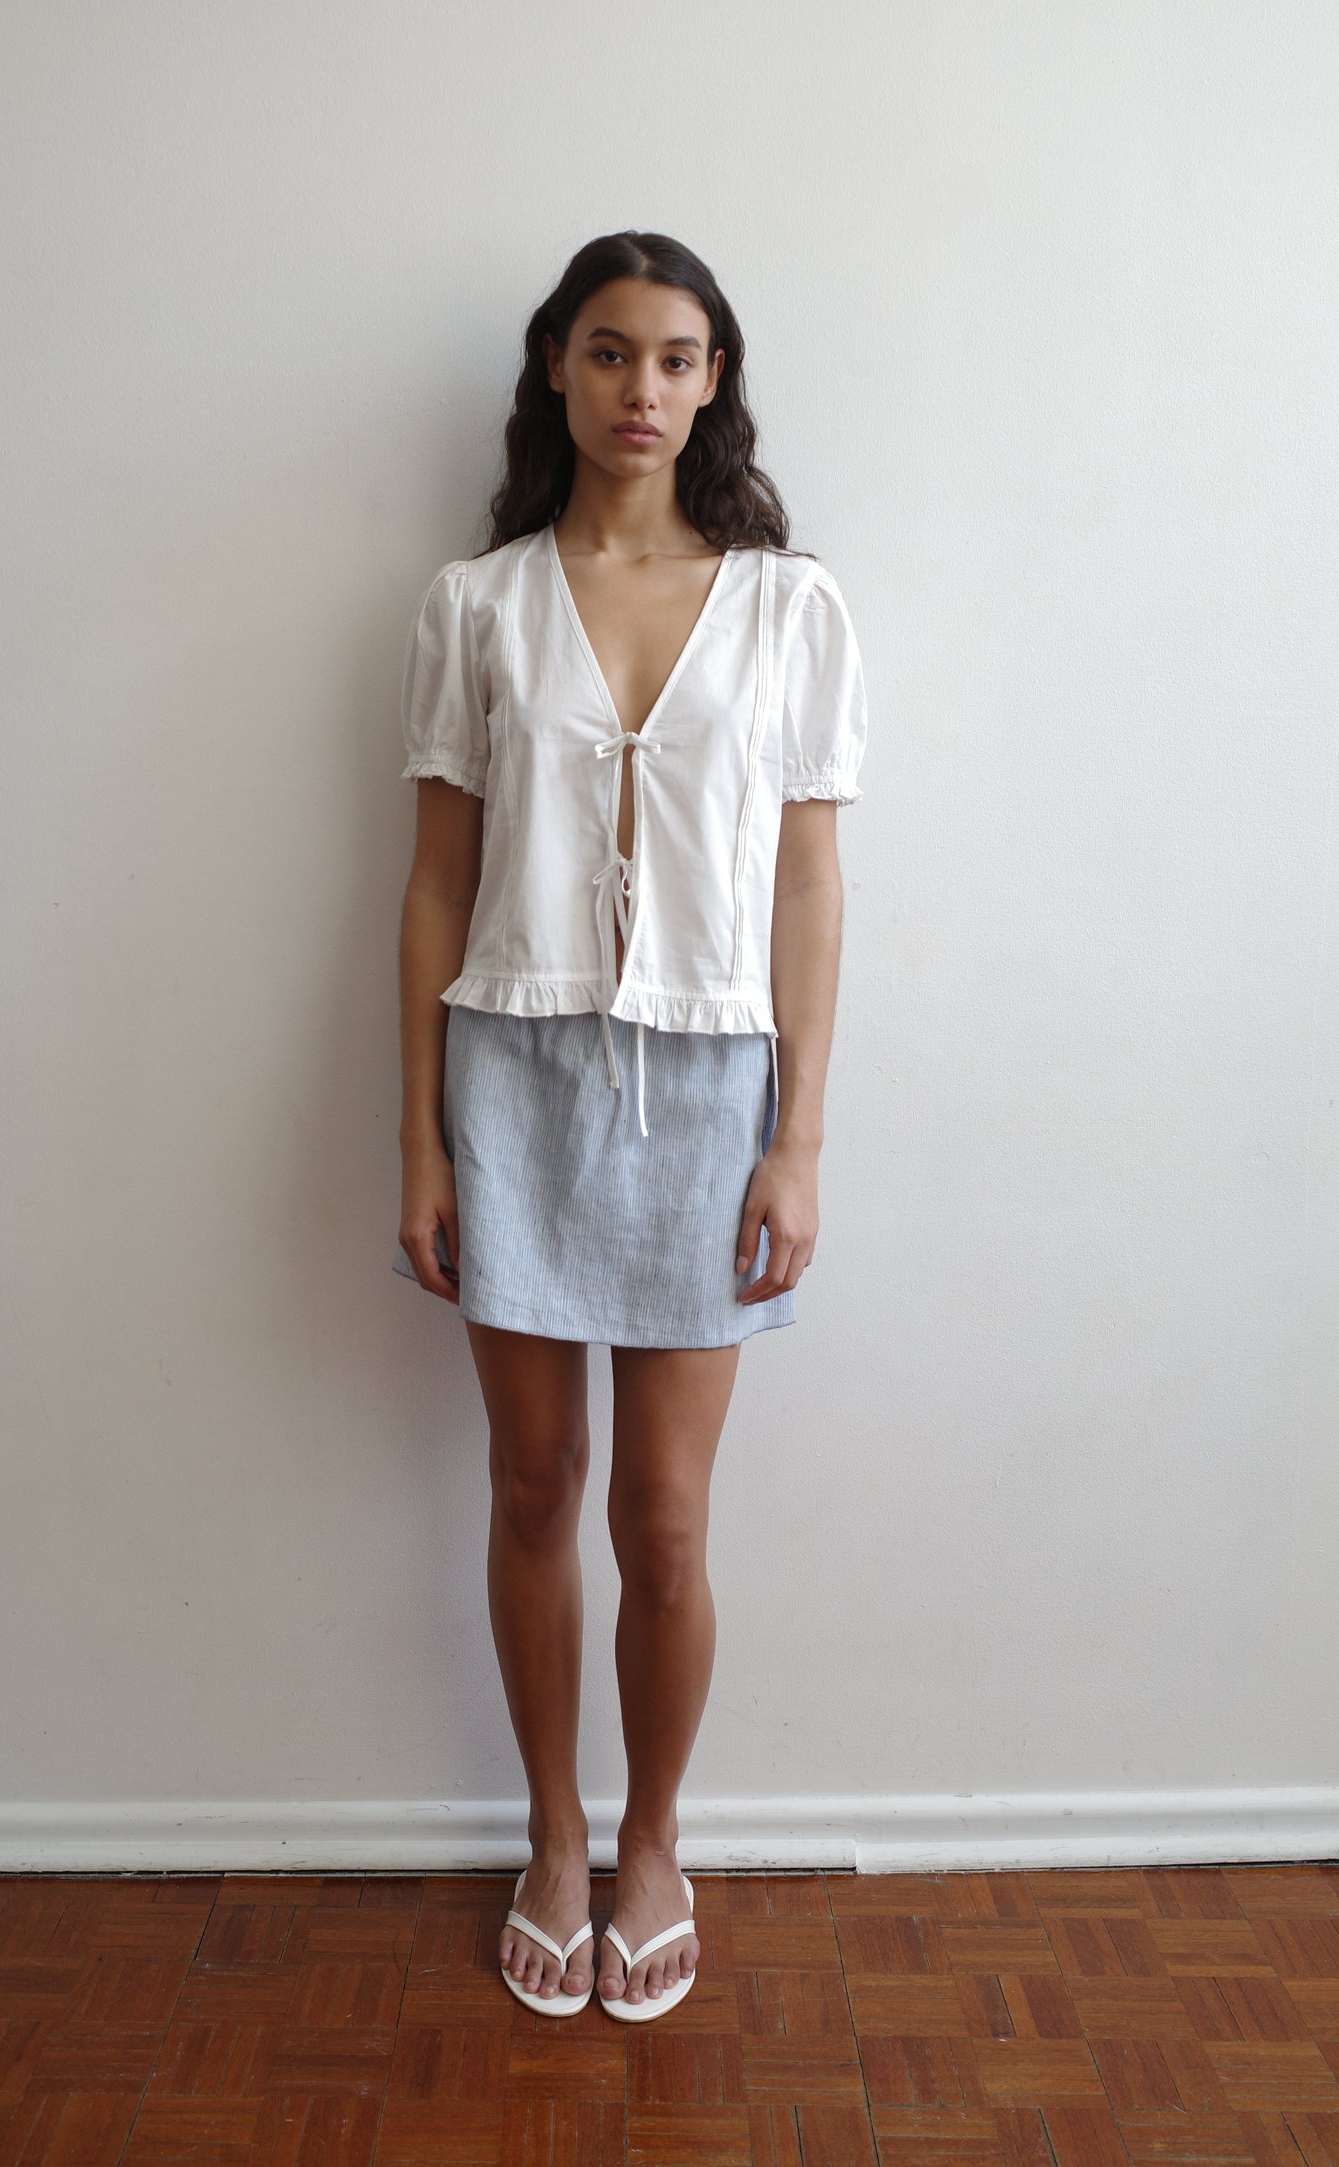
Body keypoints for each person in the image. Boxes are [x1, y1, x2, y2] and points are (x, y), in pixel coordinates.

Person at [392, 230, 867, 2021]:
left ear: (715, 380)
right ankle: (553, 1833)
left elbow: (810, 891)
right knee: (534, 1488)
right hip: (508, 1073)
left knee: (663, 1523)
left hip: (707, 1088)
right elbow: (433, 891)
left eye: (677, 358)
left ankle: (656, 1837)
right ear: (554, 373)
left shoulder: (788, 605)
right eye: (608, 353)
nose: (643, 391)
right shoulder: (474, 603)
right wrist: (424, 1142)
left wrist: (797, 1136)